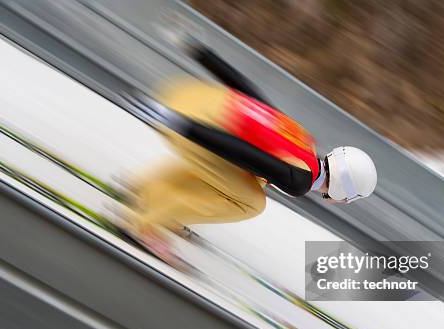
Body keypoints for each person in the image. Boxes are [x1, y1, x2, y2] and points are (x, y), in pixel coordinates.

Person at [121, 33, 377, 259]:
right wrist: (182, 124)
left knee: (240, 180)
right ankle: (145, 224)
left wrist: (200, 53)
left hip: (193, 97)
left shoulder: (303, 141)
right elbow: (243, 153)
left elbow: (252, 95)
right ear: (344, 193)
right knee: (250, 202)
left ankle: (142, 190)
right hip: (196, 121)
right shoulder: (300, 179)